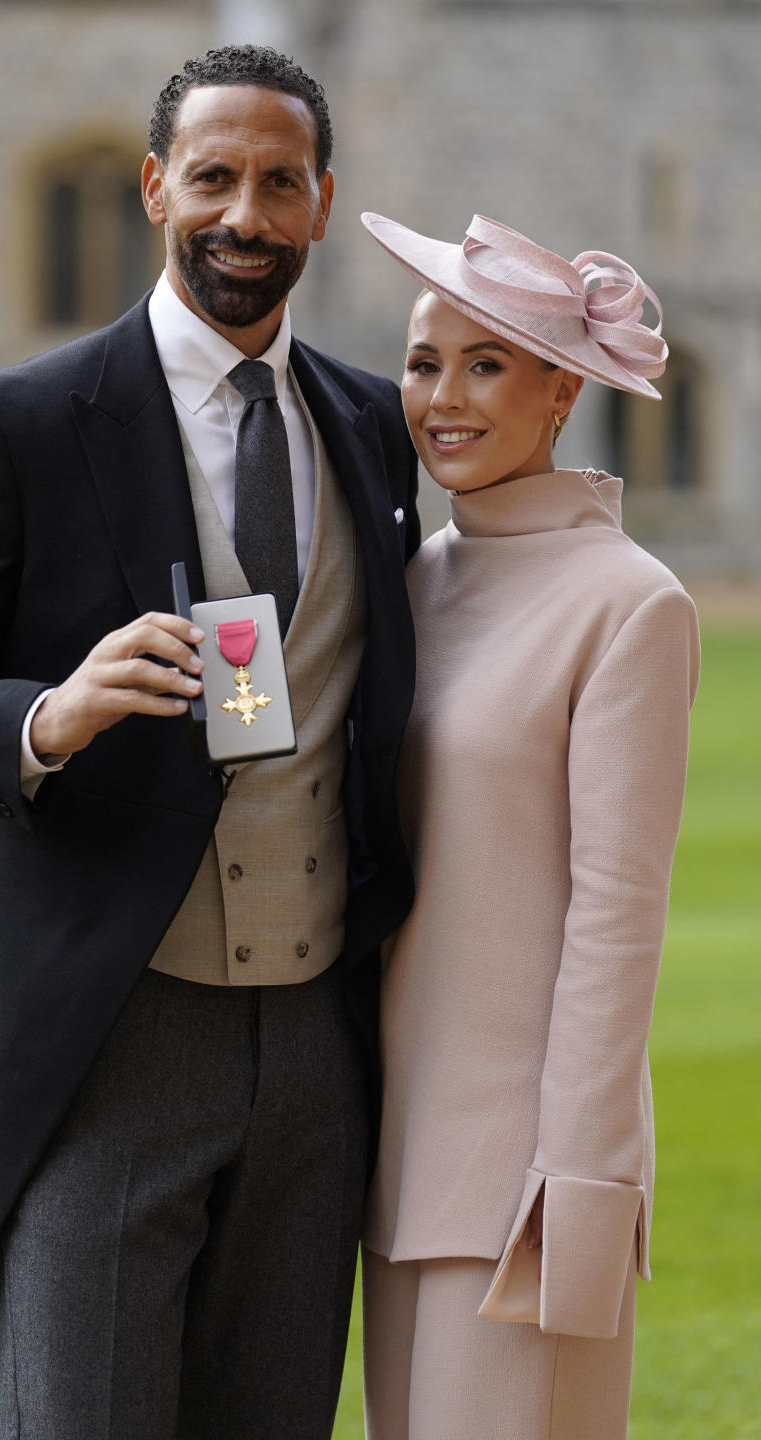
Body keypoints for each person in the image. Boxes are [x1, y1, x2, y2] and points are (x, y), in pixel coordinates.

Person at [0, 47, 420, 1440]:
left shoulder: (371, 429)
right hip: (114, 1033)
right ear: (156, 186)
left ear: (324, 204)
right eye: (213, 177)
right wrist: (45, 716)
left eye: (281, 184)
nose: (245, 217)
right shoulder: (26, 424)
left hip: (323, 1048)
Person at [357, 212, 699, 1440]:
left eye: (484, 364)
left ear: (562, 391)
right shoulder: (412, 579)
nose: (442, 398)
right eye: (421, 362)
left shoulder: (630, 605)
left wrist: (580, 1182)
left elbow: (617, 920)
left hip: (523, 1177)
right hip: (388, 1155)